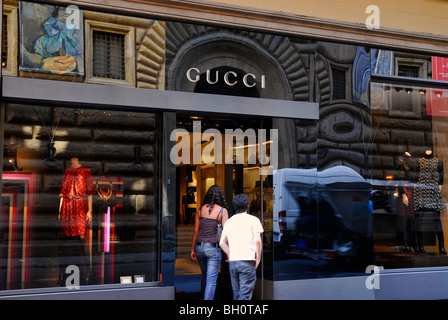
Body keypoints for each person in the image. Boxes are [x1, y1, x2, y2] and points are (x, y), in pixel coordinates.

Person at [219, 194, 263, 300]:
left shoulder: (229, 222)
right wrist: (258, 257)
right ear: (247, 205)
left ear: (234, 206)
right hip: (247, 261)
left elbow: (222, 243)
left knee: (237, 294)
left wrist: (230, 254)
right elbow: (257, 240)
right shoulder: (253, 220)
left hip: (234, 262)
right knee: (245, 296)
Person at [191, 185, 229, 300]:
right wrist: (228, 252)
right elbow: (226, 234)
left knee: (205, 276)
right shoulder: (222, 211)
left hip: (199, 248)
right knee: (211, 281)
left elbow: (196, 231)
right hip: (213, 248)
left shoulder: (201, 209)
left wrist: (192, 249)